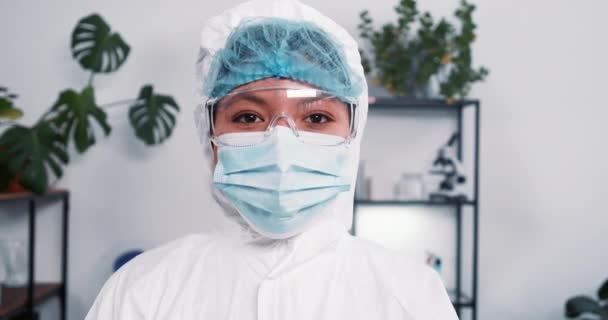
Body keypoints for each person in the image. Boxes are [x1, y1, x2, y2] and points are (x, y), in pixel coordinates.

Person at [85, 0, 459, 319]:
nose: (281, 143)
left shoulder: (413, 297)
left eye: (316, 118)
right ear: (211, 139)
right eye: (248, 117)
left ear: (352, 137)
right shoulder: (141, 292)